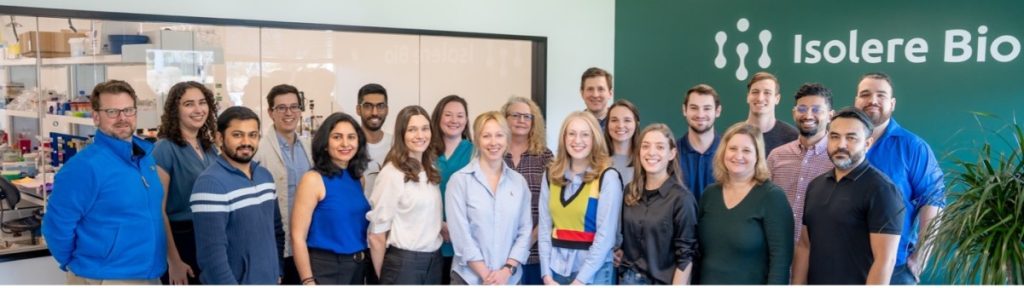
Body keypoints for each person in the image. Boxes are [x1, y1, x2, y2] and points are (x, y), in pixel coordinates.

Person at [43, 80, 166, 285]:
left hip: (148, 273)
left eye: (128, 110)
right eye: (112, 111)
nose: (122, 118)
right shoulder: (84, 167)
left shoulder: (145, 158)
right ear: (96, 117)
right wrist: (80, 267)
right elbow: (56, 226)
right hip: (105, 277)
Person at [791, 108, 905, 285]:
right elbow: (805, 246)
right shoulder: (815, 186)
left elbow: (884, 261)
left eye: (851, 138)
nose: (841, 144)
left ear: (868, 144)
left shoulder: (883, 191)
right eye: (834, 136)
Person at [854, 72, 945, 284]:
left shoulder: (913, 147)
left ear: (892, 103)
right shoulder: (838, 146)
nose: (872, 100)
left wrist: (921, 256)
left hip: (895, 267)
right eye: (865, 94)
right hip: (843, 264)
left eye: (881, 95)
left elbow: (933, 201)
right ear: (856, 101)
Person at [190, 106, 285, 284]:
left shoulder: (265, 176)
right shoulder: (209, 184)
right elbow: (212, 258)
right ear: (219, 138)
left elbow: (276, 230)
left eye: (253, 135)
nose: (246, 141)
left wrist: (277, 271)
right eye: (237, 135)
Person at [697, 122, 793, 284]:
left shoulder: (772, 197)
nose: (738, 156)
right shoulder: (709, 194)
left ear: (757, 156)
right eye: (733, 148)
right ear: (723, 152)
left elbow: (781, 262)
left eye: (747, 150)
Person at [445, 111, 533, 285]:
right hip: (468, 279)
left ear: (507, 140)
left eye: (499, 135)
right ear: (477, 140)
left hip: (510, 279)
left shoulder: (519, 183)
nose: (493, 142)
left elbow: (525, 232)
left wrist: (507, 270)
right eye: (486, 136)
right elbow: (461, 237)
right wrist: (487, 276)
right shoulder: (459, 181)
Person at [538, 111, 623, 285]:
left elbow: (605, 238)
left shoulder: (607, 178)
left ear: (595, 139)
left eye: (585, 135)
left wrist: (579, 281)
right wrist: (546, 275)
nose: (577, 141)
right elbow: (544, 229)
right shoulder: (550, 175)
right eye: (572, 134)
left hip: (594, 272)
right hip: (555, 271)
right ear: (564, 138)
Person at [291, 112, 373, 285]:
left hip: (358, 265)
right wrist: (308, 281)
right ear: (325, 144)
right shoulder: (313, 179)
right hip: (327, 268)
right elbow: (297, 236)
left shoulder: (358, 178)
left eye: (351, 137)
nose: (345, 143)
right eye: (337, 137)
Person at [366, 105, 444, 284]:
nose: (420, 135)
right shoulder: (392, 173)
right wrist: (385, 277)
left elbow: (417, 214)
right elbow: (376, 235)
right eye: (412, 130)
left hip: (433, 262)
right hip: (404, 265)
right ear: (402, 134)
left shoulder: (429, 168)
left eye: (425, 129)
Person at [153, 81, 220, 285]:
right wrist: (173, 261)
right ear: (175, 110)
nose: (198, 109)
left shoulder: (209, 147)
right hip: (181, 240)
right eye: (189, 104)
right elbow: (158, 210)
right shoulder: (164, 148)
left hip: (209, 237)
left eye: (202, 102)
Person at [619, 123, 698, 285]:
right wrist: (618, 252)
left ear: (672, 153)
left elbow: (685, 258)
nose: (651, 152)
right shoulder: (630, 191)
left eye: (660, 147)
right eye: (645, 146)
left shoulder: (682, 199)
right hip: (626, 279)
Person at [252, 84, 312, 284]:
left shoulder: (308, 147)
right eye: (281, 108)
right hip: (274, 244)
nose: (289, 113)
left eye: (294, 107)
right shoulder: (258, 150)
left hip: (307, 243)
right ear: (270, 112)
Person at [766, 83, 835, 243]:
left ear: (831, 115)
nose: (808, 115)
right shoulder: (776, 156)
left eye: (817, 109)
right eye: (802, 109)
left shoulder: (836, 159)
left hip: (819, 253)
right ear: (794, 112)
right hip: (777, 250)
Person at [501, 96, 554, 284]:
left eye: (527, 116)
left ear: (534, 122)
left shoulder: (545, 157)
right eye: (515, 115)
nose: (521, 121)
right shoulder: (494, 154)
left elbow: (551, 207)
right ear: (505, 119)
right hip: (499, 252)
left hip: (535, 252)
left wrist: (526, 243)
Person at [430, 95, 474, 284]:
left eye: (460, 115)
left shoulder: (475, 152)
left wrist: (454, 226)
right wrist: (439, 223)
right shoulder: (426, 151)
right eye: (448, 115)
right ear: (438, 117)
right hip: (430, 234)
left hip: (464, 237)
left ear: (466, 120)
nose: (454, 120)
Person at [677, 84, 722, 201]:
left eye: (707, 108)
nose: (700, 114)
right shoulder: (671, 153)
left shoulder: (730, 153)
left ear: (717, 111)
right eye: (694, 108)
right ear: (684, 110)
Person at [745, 71, 798, 155]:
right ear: (748, 97)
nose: (760, 98)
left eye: (767, 93)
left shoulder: (793, 137)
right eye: (755, 92)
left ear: (777, 99)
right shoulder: (734, 135)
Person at [356, 83, 392, 199]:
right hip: (355, 215)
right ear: (358, 109)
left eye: (380, 106)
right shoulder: (348, 146)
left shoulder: (396, 145)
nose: (375, 112)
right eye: (368, 106)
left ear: (387, 110)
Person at [604, 99, 639, 186]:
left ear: (636, 124)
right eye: (614, 120)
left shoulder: (645, 159)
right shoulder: (597, 159)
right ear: (607, 124)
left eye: (627, 120)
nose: (620, 125)